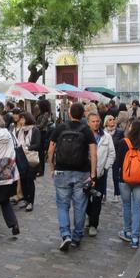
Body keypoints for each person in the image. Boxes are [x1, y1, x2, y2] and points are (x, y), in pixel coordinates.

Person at [48, 102, 97, 251]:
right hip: (81, 172)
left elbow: (50, 150)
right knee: (79, 206)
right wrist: (93, 174)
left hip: (62, 171)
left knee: (62, 205)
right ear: (83, 115)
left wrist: (52, 168)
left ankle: (65, 234)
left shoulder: (60, 127)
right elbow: (94, 154)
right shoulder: (86, 130)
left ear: (69, 113)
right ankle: (76, 237)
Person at [114, 120, 140, 248]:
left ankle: (127, 231)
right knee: (137, 208)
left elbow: (118, 163)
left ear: (131, 129)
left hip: (124, 179)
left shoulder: (123, 143)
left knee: (126, 205)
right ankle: (135, 238)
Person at [85, 112, 115, 236]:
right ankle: (90, 215)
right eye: (93, 121)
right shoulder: (83, 135)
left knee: (97, 199)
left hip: (100, 173)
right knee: (84, 197)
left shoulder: (106, 137)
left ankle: (93, 224)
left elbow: (112, 154)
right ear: (88, 122)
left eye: (97, 121)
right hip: (85, 172)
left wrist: (105, 168)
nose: (96, 123)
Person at [14, 112, 41, 212]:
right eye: (20, 119)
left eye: (22, 119)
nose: (20, 121)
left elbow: (37, 145)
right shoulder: (19, 131)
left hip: (31, 158)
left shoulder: (35, 130)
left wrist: (27, 147)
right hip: (21, 158)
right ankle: (25, 199)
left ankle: (31, 201)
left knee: (30, 180)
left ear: (27, 119)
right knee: (23, 179)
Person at [103, 115, 124, 201]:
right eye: (110, 120)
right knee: (103, 175)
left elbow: (123, 144)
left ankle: (117, 194)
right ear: (106, 122)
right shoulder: (102, 132)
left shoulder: (119, 132)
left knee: (116, 176)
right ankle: (103, 194)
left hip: (116, 156)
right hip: (105, 156)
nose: (112, 121)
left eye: (113, 119)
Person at [35, 99, 54, 177]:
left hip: (42, 134)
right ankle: (39, 169)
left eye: (39, 105)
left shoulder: (46, 114)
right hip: (40, 133)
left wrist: (33, 126)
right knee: (39, 152)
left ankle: (41, 170)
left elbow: (41, 125)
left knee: (41, 153)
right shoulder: (42, 113)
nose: (38, 106)